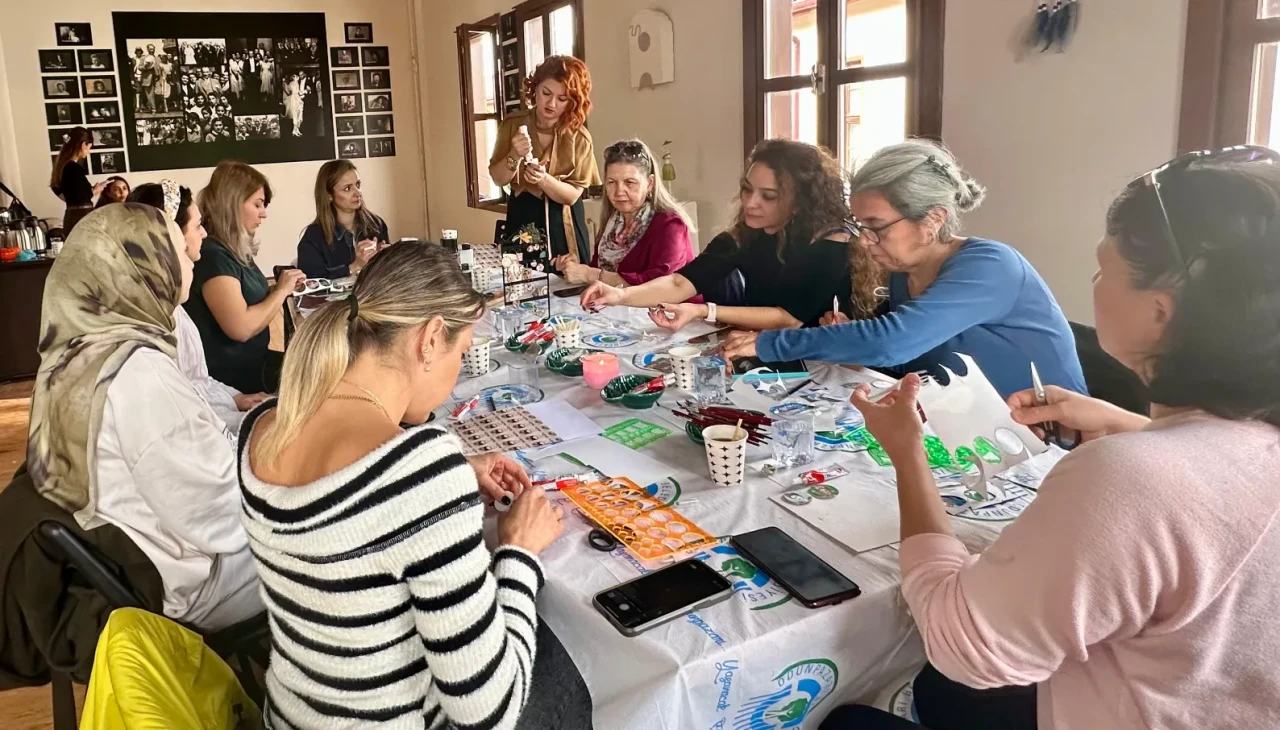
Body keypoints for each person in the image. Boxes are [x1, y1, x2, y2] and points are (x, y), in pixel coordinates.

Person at [822, 147, 1280, 730]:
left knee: (856, 716)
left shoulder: (1131, 478)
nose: (1086, 288)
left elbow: (960, 646)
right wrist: (1130, 424)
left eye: (1101, 270)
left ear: (1161, 312)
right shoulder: (1242, 440)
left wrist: (908, 454)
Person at [241, 242, 591, 730]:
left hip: (293, 715)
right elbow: (490, 708)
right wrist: (520, 553)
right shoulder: (421, 470)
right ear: (429, 340)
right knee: (570, 664)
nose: (456, 371)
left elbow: (349, 512)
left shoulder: (263, 425)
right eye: (462, 351)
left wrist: (448, 476)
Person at [26, 204, 264, 631]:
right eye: (173, 248)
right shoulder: (139, 373)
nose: (191, 257)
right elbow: (225, 516)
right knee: (347, 531)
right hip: (188, 588)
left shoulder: (74, 353)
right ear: (140, 268)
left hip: (135, 566)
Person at [722, 139, 1085, 399]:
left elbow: (891, 342)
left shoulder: (991, 267)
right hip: (964, 432)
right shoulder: (903, 274)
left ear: (932, 219)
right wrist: (851, 342)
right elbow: (912, 364)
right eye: (859, 225)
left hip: (1046, 445)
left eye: (876, 227)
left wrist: (772, 343)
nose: (864, 241)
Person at [581, 138, 883, 332]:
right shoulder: (746, 234)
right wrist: (621, 295)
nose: (751, 203)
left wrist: (703, 311)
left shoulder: (830, 241)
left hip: (823, 363)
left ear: (799, 200)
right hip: (763, 351)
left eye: (769, 196)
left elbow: (787, 317)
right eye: (748, 190)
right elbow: (679, 282)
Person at [129, 180, 273, 430]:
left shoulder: (169, 301)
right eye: (196, 226)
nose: (203, 233)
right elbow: (181, 412)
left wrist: (234, 397)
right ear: (172, 237)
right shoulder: (152, 315)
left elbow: (196, 379)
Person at [184, 161, 305, 395]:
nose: (264, 213)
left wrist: (279, 291)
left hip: (254, 362)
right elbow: (240, 328)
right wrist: (279, 292)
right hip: (233, 379)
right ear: (233, 203)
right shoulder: (213, 256)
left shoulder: (233, 250)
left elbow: (248, 301)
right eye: (257, 204)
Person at [489, 55, 601, 263]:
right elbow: (498, 178)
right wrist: (514, 155)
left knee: (568, 286)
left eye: (562, 99)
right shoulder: (513, 125)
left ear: (573, 101)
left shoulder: (579, 137)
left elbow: (572, 196)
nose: (551, 104)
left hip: (564, 221)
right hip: (522, 215)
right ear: (535, 88)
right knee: (521, 281)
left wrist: (543, 179)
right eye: (546, 93)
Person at [553, 139, 696, 288]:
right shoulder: (613, 223)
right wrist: (576, 268)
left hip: (668, 310)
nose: (619, 191)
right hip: (618, 307)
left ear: (650, 184)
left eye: (630, 182)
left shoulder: (669, 224)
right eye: (611, 182)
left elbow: (661, 287)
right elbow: (599, 271)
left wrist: (589, 274)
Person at [297, 160, 389, 279]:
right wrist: (354, 266)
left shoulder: (377, 224)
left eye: (358, 185)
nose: (358, 193)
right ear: (329, 195)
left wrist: (388, 258)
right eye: (347, 188)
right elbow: (310, 283)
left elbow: (388, 277)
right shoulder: (314, 237)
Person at [49, 127, 104, 234]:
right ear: (83, 145)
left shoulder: (62, 166)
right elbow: (81, 197)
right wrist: (95, 190)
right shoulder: (74, 168)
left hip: (70, 216)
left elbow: (56, 188)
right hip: (81, 218)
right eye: (89, 148)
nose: (88, 152)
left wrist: (71, 200)